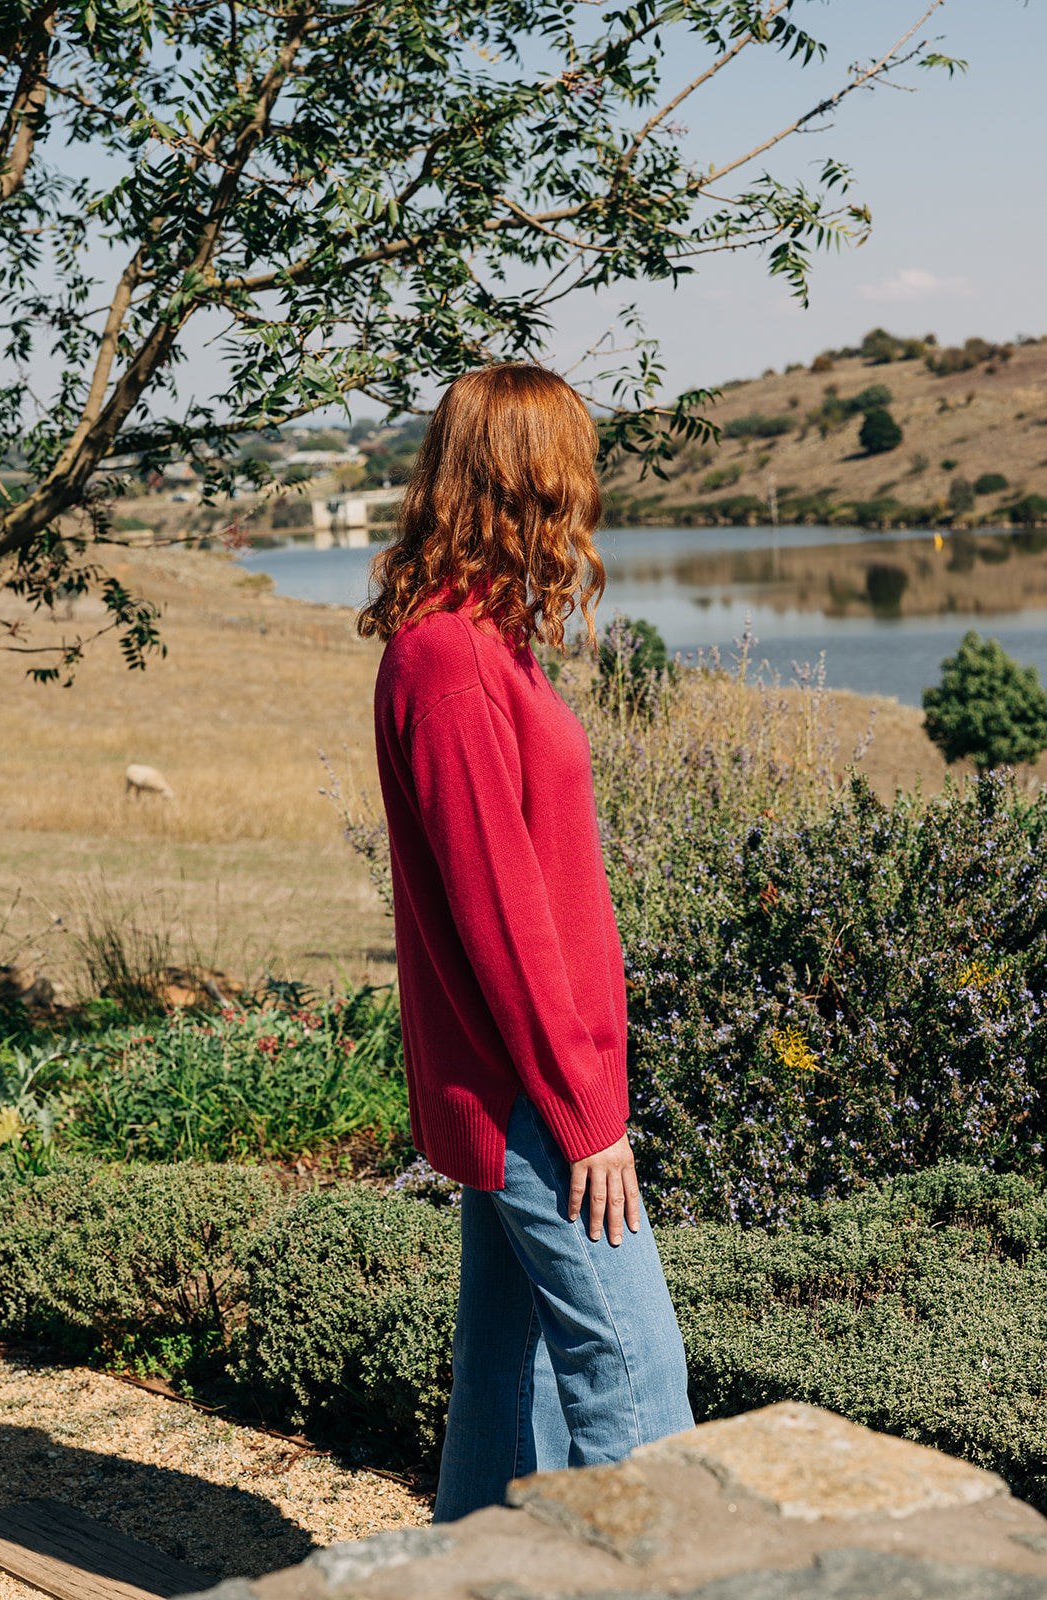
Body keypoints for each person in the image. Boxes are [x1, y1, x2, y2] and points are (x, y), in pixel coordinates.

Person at [358, 364, 694, 1524]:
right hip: (531, 1096)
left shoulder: (484, 645)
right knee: (634, 1378)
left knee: (515, 1386)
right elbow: (500, 916)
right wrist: (583, 1109)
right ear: (525, 479)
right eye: (571, 467)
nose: (583, 494)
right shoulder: (450, 661)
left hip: (529, 1086)